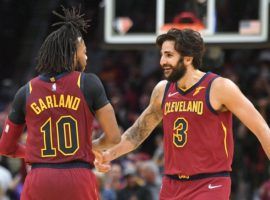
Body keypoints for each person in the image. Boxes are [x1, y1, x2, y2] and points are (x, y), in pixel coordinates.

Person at [94, 28, 270, 200]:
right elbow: (137, 132)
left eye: (169, 55)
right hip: (171, 184)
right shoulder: (162, 90)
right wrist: (109, 155)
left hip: (210, 182)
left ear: (187, 58)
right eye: (162, 55)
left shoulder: (219, 87)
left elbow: (261, 129)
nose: (162, 61)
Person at [0, 6, 121, 200]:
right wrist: (88, 148)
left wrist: (37, 153)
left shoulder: (26, 91)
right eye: (85, 52)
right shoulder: (88, 83)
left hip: (39, 178)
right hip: (78, 177)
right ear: (73, 54)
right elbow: (114, 138)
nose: (87, 57)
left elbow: (6, 147)